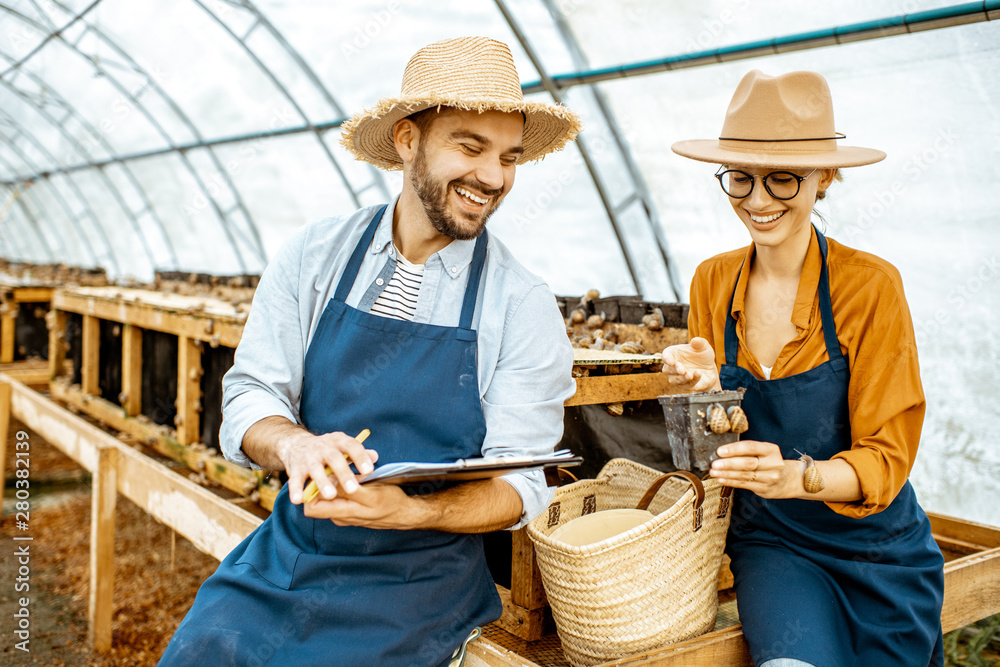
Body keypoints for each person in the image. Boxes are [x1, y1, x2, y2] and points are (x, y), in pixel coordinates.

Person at [159, 37, 581, 667]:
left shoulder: (521, 305)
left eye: (509, 157)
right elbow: (252, 394)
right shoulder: (316, 256)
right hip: (291, 557)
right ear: (408, 141)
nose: (493, 178)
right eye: (470, 147)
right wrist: (296, 445)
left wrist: (409, 512)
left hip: (421, 588)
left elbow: (522, 485)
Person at [661, 70, 944, 667]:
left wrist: (797, 476)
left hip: (877, 550)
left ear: (825, 177)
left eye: (783, 179)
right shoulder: (714, 279)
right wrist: (705, 396)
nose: (758, 201)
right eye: (740, 179)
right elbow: (705, 457)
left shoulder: (869, 287)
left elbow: (887, 460)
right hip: (774, 542)